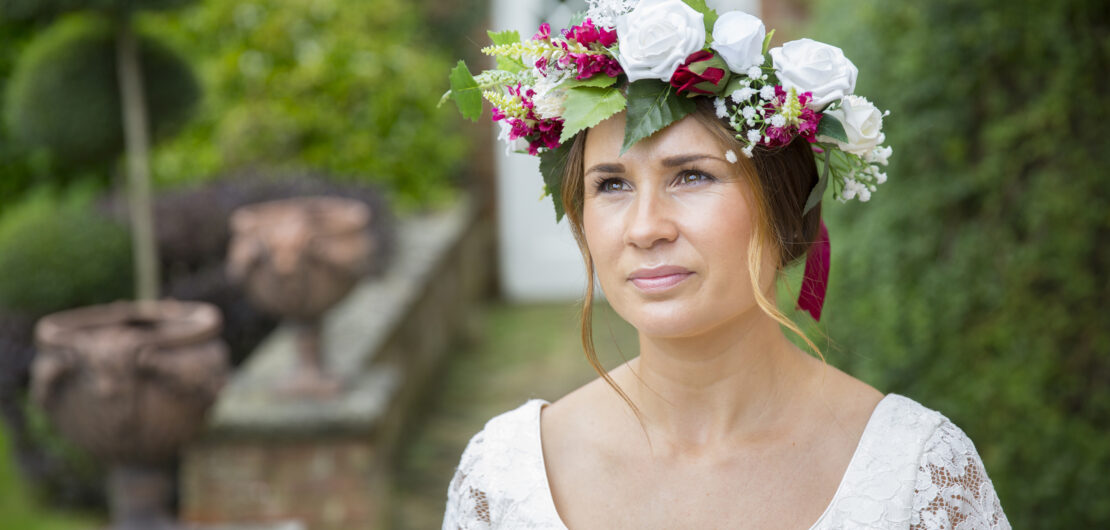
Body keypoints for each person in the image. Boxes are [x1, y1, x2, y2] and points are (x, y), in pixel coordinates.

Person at [441, 1, 1010, 528]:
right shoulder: (504, 478)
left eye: (692, 176)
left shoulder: (918, 476)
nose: (644, 228)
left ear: (784, 206)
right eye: (611, 184)